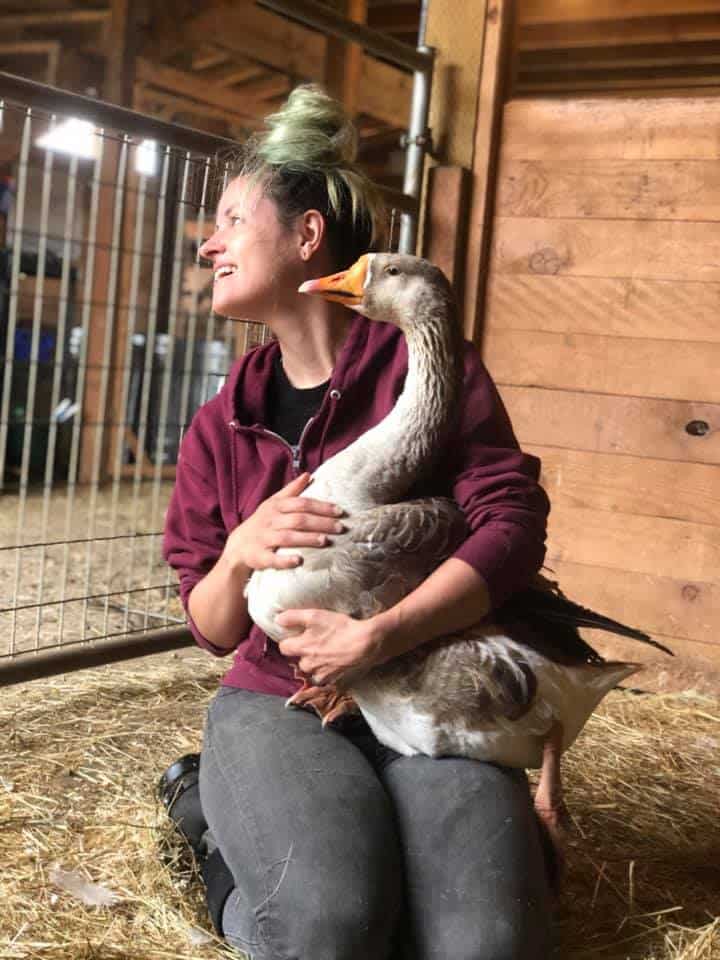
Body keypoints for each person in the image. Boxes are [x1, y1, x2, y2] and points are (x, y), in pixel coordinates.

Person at [162, 84, 552, 960]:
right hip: (279, 696)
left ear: (308, 237)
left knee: (485, 942)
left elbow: (514, 522)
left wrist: (383, 635)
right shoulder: (220, 422)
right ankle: (216, 839)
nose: (209, 242)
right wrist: (235, 556)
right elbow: (212, 628)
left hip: (425, 683)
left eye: (230, 219)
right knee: (329, 929)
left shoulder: (424, 370)